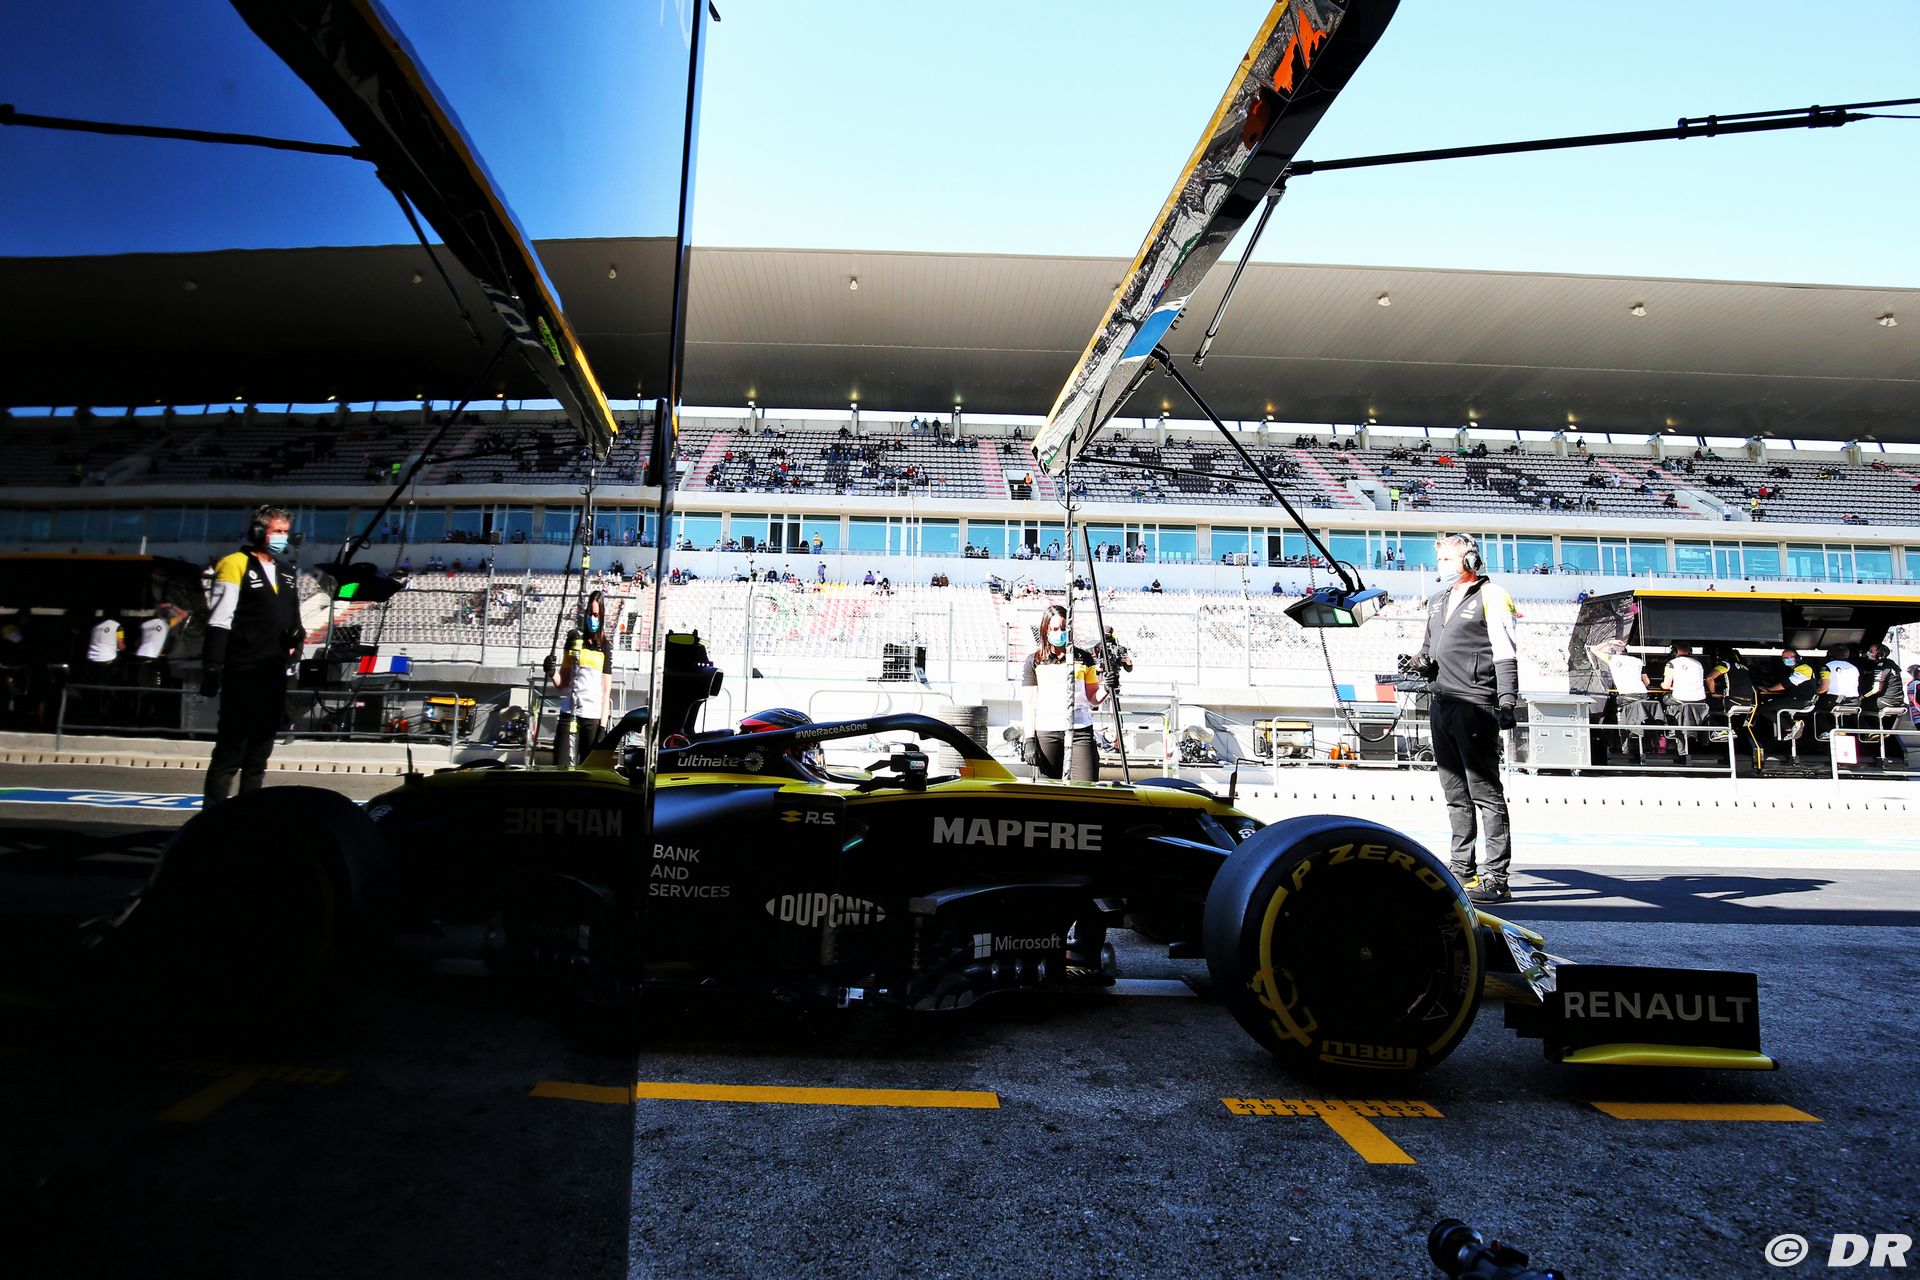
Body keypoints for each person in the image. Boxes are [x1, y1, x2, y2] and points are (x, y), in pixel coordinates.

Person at [1414, 534, 1520, 905]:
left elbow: (1505, 650)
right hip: (1441, 702)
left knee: (1485, 793)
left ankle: (1497, 878)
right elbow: (1427, 648)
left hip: (1475, 703)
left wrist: (1507, 699)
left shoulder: (1493, 595)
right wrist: (1419, 662)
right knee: (1454, 794)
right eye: (1439, 559)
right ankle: (1462, 870)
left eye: (1446, 558)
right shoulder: (1437, 600)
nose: (1440, 565)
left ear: (1469, 560)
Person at [202, 505, 305, 806]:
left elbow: (294, 618)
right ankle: (212, 819)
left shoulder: (286, 571)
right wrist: (212, 667)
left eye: (285, 532)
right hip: (243, 670)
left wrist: (296, 639)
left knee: (259, 756)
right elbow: (220, 619)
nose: (282, 537)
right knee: (230, 752)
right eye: (277, 531)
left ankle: (250, 817)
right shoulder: (234, 564)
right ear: (259, 532)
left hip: (274, 671)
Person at [1019, 603, 1103, 782]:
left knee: (1086, 785)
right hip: (1047, 731)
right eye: (1055, 629)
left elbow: (1093, 698)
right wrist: (1030, 739)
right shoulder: (1034, 661)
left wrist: (1107, 688)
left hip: (1080, 731)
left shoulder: (1084, 658)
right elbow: (1029, 704)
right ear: (1046, 630)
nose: (1060, 633)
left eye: (1064, 628)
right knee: (1048, 789)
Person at [549, 591, 614, 768]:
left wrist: (602, 728)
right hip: (569, 712)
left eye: (596, 615)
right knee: (560, 767)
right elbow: (562, 683)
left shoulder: (605, 646)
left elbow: (606, 692)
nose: (593, 618)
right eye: (590, 614)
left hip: (592, 717)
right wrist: (551, 671)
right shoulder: (574, 638)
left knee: (587, 771)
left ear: (602, 616)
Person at [1658, 643, 1709, 759]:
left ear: (1674, 651)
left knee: (1664, 699)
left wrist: (1662, 685)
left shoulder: (1672, 663)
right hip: (1700, 701)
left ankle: (1670, 727)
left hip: (1681, 700)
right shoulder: (1698, 664)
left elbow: (1666, 686)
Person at [1092, 624, 1133, 699]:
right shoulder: (1096, 647)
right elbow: (1088, 666)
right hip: (1098, 680)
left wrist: (1128, 662)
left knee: (1113, 700)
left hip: (1113, 679)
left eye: (1107, 635)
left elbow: (1128, 669)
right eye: (1104, 635)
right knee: (1097, 700)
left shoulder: (1119, 648)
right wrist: (1096, 667)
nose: (1106, 637)